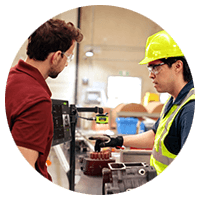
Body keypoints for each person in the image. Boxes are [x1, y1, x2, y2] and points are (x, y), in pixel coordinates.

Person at [90, 30, 195, 175]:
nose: (151, 75)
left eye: (156, 67)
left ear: (178, 66)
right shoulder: (173, 102)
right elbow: (154, 136)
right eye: (149, 68)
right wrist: (117, 140)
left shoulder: (190, 109)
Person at [5, 19, 83, 181]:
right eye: (68, 57)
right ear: (56, 57)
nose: (67, 64)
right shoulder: (37, 100)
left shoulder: (12, 77)